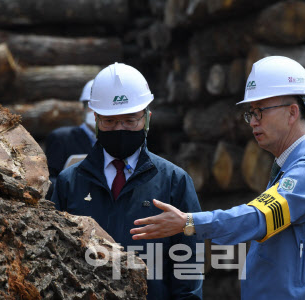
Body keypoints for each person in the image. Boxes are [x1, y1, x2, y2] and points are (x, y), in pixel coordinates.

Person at [131, 56, 305, 300]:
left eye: (261, 112)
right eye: (251, 113)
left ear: (292, 112)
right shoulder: (292, 168)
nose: (253, 121)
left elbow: (257, 218)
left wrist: (189, 222)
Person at [51, 63, 203, 300]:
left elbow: (189, 265)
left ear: (147, 118)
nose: (119, 129)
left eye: (130, 121)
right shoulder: (69, 183)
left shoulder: (174, 181)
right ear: (96, 119)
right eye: (110, 122)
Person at [45, 79, 97, 199]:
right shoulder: (62, 138)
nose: (96, 112)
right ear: (83, 108)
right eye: (92, 105)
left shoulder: (115, 141)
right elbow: (48, 181)